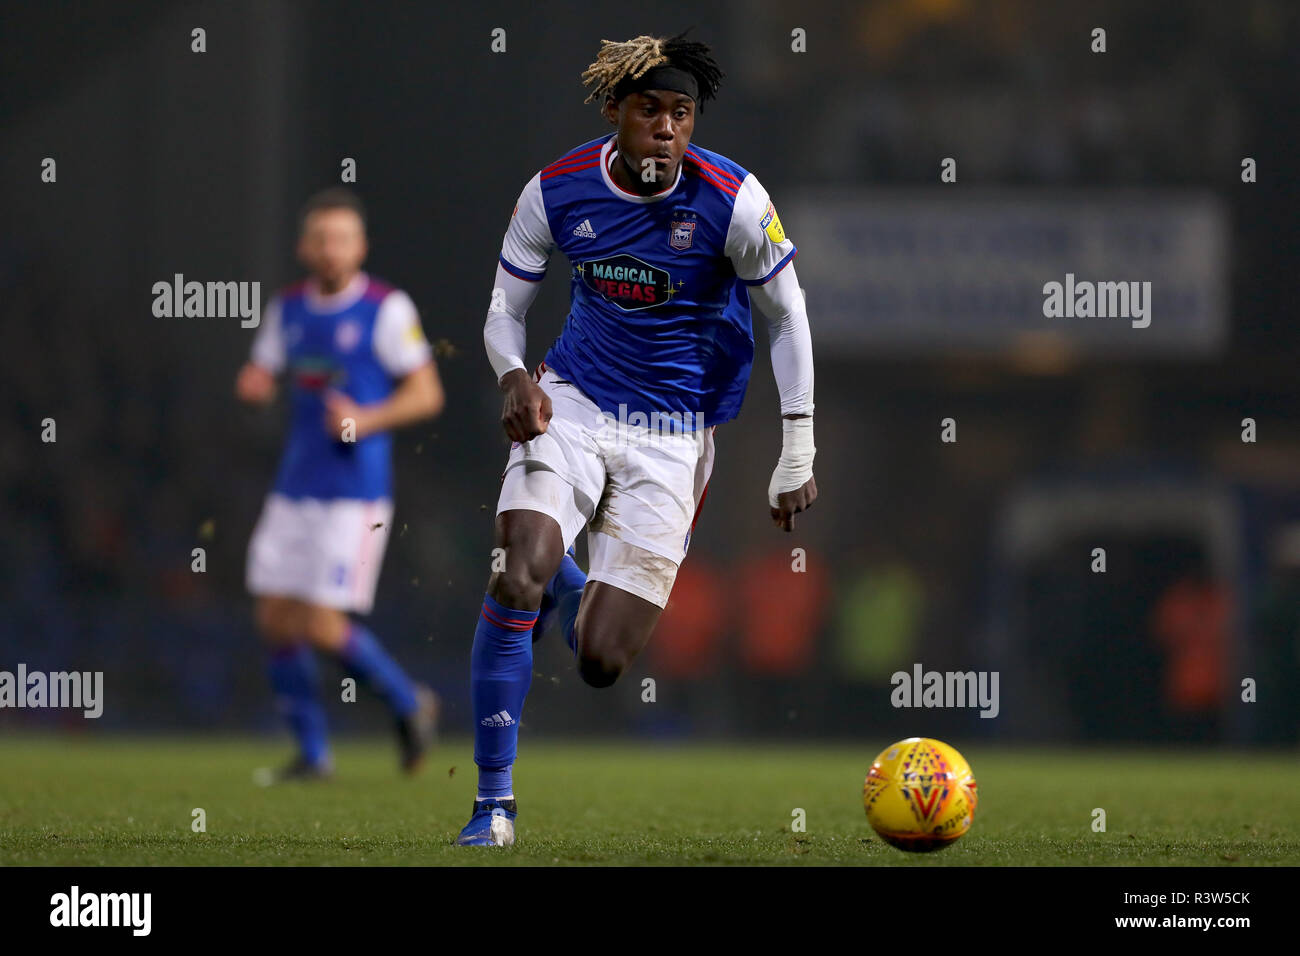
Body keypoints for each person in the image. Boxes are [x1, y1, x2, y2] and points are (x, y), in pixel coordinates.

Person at [458, 32, 817, 845]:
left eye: (680, 114)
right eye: (648, 110)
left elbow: (788, 314)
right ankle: (494, 805)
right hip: (573, 403)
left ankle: (566, 582)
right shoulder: (556, 190)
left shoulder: (734, 199)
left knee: (600, 660)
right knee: (516, 573)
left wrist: (798, 446)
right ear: (615, 111)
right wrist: (513, 374)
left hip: (674, 434)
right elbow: (503, 312)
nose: (664, 129)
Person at [236, 188, 444, 781]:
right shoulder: (287, 311)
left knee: (321, 622)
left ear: (361, 248)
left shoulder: (386, 309)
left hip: (355, 496)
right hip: (293, 487)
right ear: (305, 247)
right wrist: (254, 387)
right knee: (275, 617)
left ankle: (408, 702)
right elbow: (263, 372)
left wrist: (368, 419)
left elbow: (427, 394)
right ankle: (313, 754)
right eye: (322, 239)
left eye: (344, 239)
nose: (332, 250)